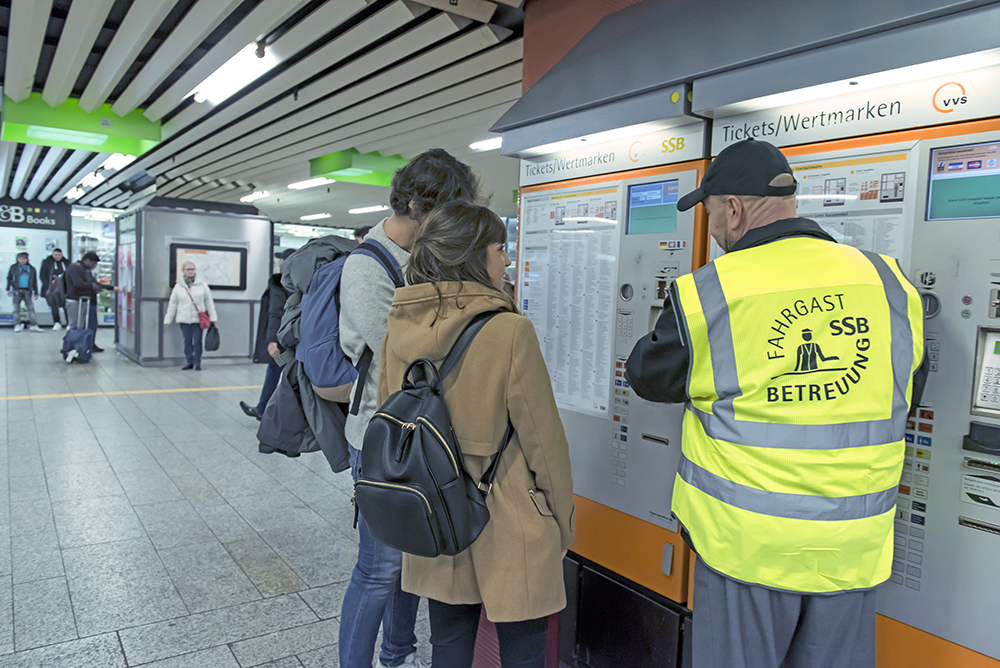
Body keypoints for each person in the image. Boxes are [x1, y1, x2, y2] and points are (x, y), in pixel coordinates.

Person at [624, 138, 927, 668]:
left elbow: (648, 375)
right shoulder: (887, 282)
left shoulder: (713, 292)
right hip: (851, 551)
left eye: (711, 212)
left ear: (734, 209)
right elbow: (907, 391)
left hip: (749, 552)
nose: (712, 228)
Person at [377, 201, 574, 668]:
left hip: (435, 510)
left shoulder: (398, 327)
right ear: (473, 255)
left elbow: (391, 421)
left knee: (448, 644)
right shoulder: (509, 331)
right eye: (500, 248)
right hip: (506, 514)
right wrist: (561, 521)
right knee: (523, 649)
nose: (507, 259)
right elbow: (544, 443)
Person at [338, 148, 483, 668]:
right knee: (378, 570)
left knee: (412, 563)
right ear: (420, 206)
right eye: (446, 213)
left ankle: (397, 653)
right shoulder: (366, 266)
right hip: (383, 436)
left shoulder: (424, 258)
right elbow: (403, 351)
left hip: (424, 432)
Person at [242, 249, 293, 418]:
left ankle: (264, 409)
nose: (278, 262)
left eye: (281, 259)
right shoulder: (301, 281)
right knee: (281, 372)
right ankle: (264, 408)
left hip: (282, 339)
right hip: (295, 336)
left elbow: (275, 313)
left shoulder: (278, 283)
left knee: (277, 372)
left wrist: (272, 340)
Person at [164, 261, 217, 370]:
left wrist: (213, 317)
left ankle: (197, 362)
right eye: (188, 269)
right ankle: (189, 361)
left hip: (198, 320)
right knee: (187, 341)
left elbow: (209, 302)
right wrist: (168, 319)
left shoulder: (202, 285)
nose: (191, 271)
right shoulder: (178, 286)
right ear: (183, 271)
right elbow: (173, 303)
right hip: (184, 319)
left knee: (197, 341)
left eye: (192, 269)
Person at [65, 252, 118, 352]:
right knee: (76, 325)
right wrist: (92, 286)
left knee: (90, 324)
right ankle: (73, 347)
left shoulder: (85, 269)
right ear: (87, 260)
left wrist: (110, 287)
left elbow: (94, 283)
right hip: (76, 301)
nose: (94, 266)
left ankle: (88, 344)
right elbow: (78, 283)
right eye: (94, 264)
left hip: (86, 301)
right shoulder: (75, 268)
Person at [6, 252, 43, 332]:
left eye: (23, 259)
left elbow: (34, 281)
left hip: (27, 291)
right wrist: (8, 288)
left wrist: (36, 292)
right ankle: (17, 324)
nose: (22, 260)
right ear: (17, 259)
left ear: (27, 259)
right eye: (20, 259)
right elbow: (9, 278)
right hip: (17, 290)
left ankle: (33, 325)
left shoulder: (32, 268)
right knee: (16, 308)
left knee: (30, 308)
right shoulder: (13, 267)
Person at [40, 248, 71, 330]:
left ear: (62, 255)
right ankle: (57, 322)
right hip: (52, 289)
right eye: (56, 255)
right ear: (52, 254)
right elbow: (42, 275)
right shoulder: (47, 262)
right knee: (54, 306)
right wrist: (48, 286)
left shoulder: (67, 263)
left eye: (59, 255)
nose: (57, 257)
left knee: (66, 306)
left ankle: (69, 323)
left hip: (64, 288)